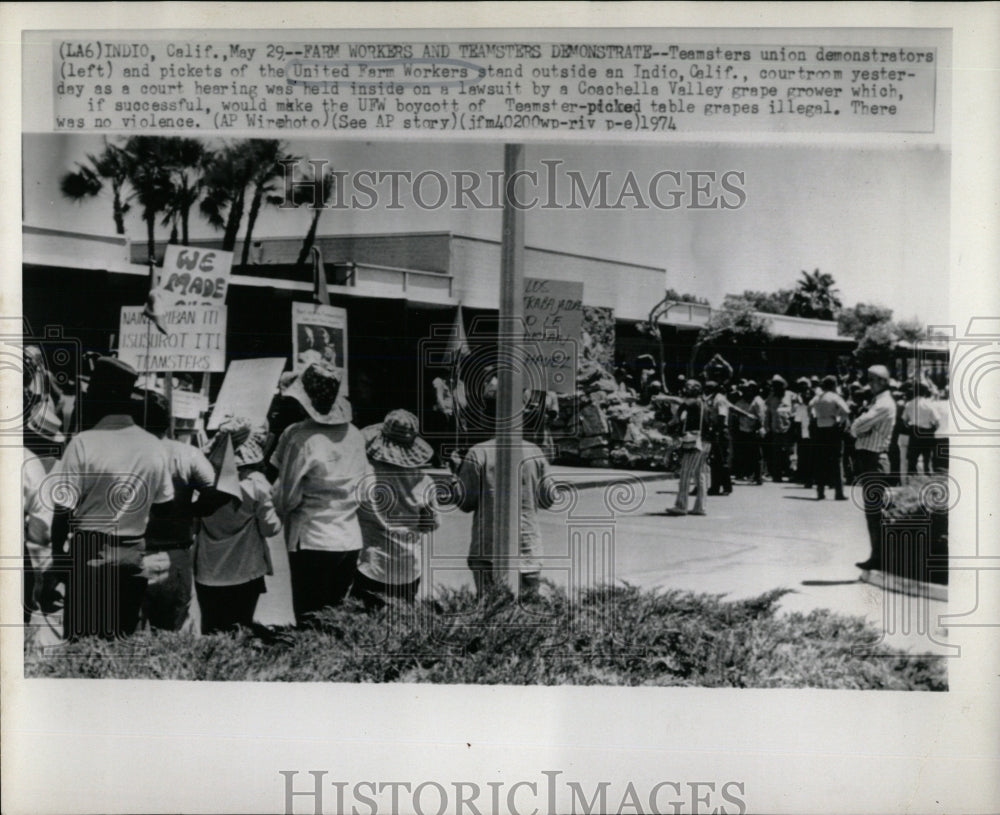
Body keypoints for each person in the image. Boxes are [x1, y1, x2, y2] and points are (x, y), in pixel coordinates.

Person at [48, 357, 174, 640]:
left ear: (108, 395)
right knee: (121, 642)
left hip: (89, 554)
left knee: (82, 647)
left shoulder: (83, 443)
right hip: (132, 555)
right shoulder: (153, 446)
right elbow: (165, 507)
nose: (88, 397)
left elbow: (62, 512)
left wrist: (59, 562)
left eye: (93, 390)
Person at [270, 361, 370, 625]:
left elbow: (286, 498)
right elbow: (365, 488)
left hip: (312, 540)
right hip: (348, 538)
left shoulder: (301, 438)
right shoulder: (355, 435)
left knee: (309, 618)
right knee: (336, 618)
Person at [451, 382, 558, 598]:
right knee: (525, 616)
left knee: (491, 614)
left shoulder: (478, 453)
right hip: (528, 550)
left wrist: (456, 476)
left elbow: (465, 502)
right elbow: (548, 499)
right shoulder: (534, 451)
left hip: (488, 551)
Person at [134, 390, 225, 632]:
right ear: (169, 421)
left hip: (134, 554)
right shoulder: (187, 454)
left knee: (131, 640)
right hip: (176, 555)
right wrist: (191, 511)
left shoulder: (125, 455)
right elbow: (216, 491)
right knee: (176, 637)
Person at [194, 419, 281, 634]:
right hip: (245, 570)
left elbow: (194, 524)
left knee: (211, 629)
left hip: (208, 571)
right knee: (241, 629)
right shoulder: (256, 484)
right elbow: (270, 528)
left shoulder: (203, 484)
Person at [354, 410, 439, 610]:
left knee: (364, 620)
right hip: (408, 565)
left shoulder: (365, 475)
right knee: (402, 621)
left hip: (371, 562)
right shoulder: (424, 480)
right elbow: (430, 525)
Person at [850, 365, 898, 571]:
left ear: (883, 382)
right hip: (870, 459)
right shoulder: (878, 402)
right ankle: (876, 556)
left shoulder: (883, 404)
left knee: (875, 513)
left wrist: (858, 428)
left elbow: (857, 426)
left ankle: (879, 558)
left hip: (874, 459)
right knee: (873, 512)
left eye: (873, 379)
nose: (869, 383)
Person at [666, 379, 712, 516]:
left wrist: (665, 397)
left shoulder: (695, 402)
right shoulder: (702, 403)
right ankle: (700, 507)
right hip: (705, 441)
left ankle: (681, 505)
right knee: (700, 474)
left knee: (686, 472)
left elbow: (681, 403)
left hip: (695, 441)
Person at [810, 375, 850, 500]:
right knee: (837, 461)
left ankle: (820, 492)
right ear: (834, 385)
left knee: (820, 460)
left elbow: (809, 407)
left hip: (819, 428)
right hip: (832, 429)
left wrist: (814, 418)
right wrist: (840, 421)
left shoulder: (817, 398)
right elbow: (846, 411)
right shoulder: (834, 397)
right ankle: (839, 492)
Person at [903, 382, 940, 477]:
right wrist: (933, 429)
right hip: (927, 431)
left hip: (914, 431)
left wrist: (909, 426)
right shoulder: (929, 404)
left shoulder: (909, 404)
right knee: (927, 455)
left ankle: (912, 474)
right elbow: (937, 421)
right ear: (925, 392)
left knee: (913, 456)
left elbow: (905, 420)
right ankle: (927, 473)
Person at [733, 381, 766, 484]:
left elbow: (761, 417)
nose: (748, 392)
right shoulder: (740, 402)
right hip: (742, 431)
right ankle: (747, 474)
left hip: (754, 431)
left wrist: (759, 428)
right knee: (744, 455)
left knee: (756, 455)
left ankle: (758, 476)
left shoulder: (757, 401)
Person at [704, 379, 732, 496]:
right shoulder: (711, 399)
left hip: (720, 432)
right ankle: (715, 486)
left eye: (708, 388)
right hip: (714, 431)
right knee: (715, 461)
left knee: (721, 460)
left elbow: (721, 416)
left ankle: (726, 487)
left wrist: (716, 431)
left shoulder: (720, 399)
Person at [764, 375, 795, 482]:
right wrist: (767, 427)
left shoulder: (791, 395)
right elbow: (767, 413)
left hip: (788, 429)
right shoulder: (771, 397)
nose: (777, 388)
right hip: (775, 429)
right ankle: (777, 475)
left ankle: (790, 474)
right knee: (776, 453)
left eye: (779, 385)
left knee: (789, 453)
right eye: (775, 385)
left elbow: (796, 411)